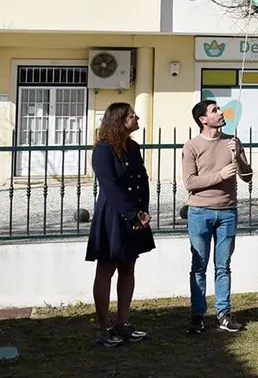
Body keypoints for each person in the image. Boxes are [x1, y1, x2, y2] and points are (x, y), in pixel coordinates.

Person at [85, 102, 155, 348]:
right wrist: (131, 214)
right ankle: (103, 328)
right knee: (106, 269)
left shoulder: (133, 147)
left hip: (135, 214)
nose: (136, 117)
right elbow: (110, 186)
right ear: (119, 120)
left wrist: (142, 212)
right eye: (131, 115)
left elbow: (142, 179)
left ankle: (122, 324)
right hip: (113, 216)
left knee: (128, 267)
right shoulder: (103, 150)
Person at [182, 99, 253, 334]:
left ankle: (223, 314)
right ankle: (197, 316)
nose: (221, 113)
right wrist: (220, 175)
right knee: (199, 266)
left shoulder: (232, 142)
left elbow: (248, 176)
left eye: (219, 109)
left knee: (223, 266)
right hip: (199, 212)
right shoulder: (192, 146)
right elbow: (190, 182)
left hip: (227, 212)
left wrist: (239, 156)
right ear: (203, 119)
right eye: (215, 111)